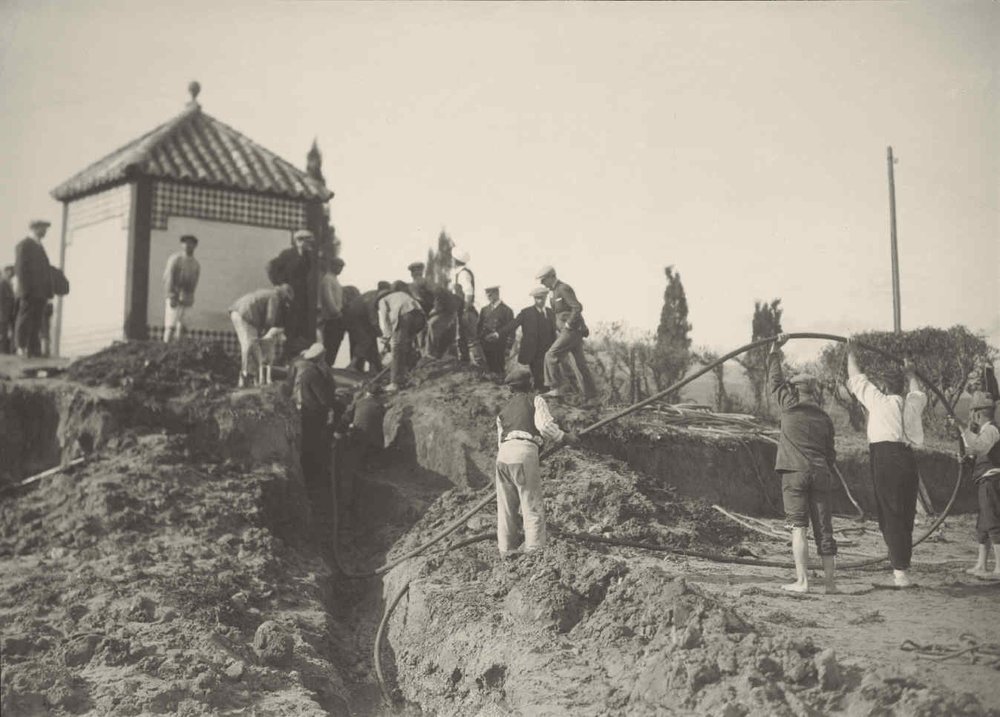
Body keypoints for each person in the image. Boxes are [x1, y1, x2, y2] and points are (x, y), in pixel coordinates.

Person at [846, 346, 926, 588]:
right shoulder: (912, 403)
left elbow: (856, 378)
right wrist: (911, 373)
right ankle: (902, 567)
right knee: (904, 512)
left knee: (890, 513)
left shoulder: (879, 401)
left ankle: (900, 573)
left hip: (886, 459)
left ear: (885, 387)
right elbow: (916, 391)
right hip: (907, 459)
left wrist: (850, 353)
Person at [769, 335, 838, 594]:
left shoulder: (789, 406)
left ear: (795, 390)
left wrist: (774, 352)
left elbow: (775, 382)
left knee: (799, 526)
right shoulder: (825, 417)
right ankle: (830, 584)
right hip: (821, 474)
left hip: (794, 474)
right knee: (824, 529)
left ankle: (803, 582)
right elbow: (831, 454)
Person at [495, 366, 577, 556]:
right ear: (530, 384)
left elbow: (500, 441)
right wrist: (564, 437)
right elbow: (545, 426)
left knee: (506, 507)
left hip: (503, 456)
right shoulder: (535, 400)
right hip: (524, 452)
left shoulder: (503, 411)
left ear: (510, 389)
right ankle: (535, 552)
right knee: (531, 503)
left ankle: (506, 550)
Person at [287, 342, 343, 544]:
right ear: (319, 358)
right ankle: (315, 489)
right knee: (314, 452)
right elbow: (325, 399)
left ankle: (315, 485)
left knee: (313, 452)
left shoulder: (311, 372)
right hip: (313, 419)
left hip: (312, 416)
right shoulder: (313, 375)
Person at [536, 266, 598, 406]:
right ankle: (592, 398)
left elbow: (577, 307)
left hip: (571, 331)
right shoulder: (554, 292)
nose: (542, 283)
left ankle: (556, 387)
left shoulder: (563, 288)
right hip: (568, 331)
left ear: (552, 276)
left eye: (543, 280)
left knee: (550, 355)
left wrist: (570, 324)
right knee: (579, 365)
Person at [960, 391, 1000, 576]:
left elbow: (980, 447)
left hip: (992, 481)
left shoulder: (992, 430)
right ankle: (981, 565)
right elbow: (979, 452)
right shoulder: (986, 432)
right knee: (983, 524)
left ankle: (999, 567)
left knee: (993, 522)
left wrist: (964, 429)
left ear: (977, 414)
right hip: (985, 480)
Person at [492, 286, 557, 391]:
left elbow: (555, 331)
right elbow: (512, 325)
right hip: (531, 351)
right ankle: (537, 393)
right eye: (537, 298)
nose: (540, 300)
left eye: (542, 298)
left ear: (545, 298)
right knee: (535, 376)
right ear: (534, 298)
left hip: (546, 350)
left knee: (545, 376)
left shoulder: (550, 313)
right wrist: (498, 334)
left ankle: (544, 394)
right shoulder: (526, 312)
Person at [229, 284, 294, 387]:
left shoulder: (269, 293)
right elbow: (270, 318)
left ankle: (248, 378)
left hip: (238, 312)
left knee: (249, 347)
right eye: (286, 300)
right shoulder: (274, 297)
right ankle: (247, 379)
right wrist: (266, 333)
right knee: (251, 347)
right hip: (246, 315)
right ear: (283, 296)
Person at [14, 219, 54, 358]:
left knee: (37, 320)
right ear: (35, 228)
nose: (45, 231)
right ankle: (21, 346)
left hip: (40, 293)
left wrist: (48, 293)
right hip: (29, 291)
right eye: (43, 228)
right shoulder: (24, 245)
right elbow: (20, 269)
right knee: (25, 318)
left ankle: (33, 349)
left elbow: (45, 272)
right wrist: (24, 290)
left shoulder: (40, 247)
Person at [267, 229, 315, 344]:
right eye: (308, 242)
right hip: (288, 295)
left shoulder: (308, 256)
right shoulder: (287, 254)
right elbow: (270, 267)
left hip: (301, 296)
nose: (310, 245)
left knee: (299, 325)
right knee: (287, 324)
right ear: (299, 241)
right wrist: (280, 283)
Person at [377, 281, 426, 392]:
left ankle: (394, 383)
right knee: (407, 347)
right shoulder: (401, 295)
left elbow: (385, 318)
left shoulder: (382, 300)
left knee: (397, 348)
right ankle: (409, 375)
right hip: (420, 316)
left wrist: (387, 337)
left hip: (405, 315)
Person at [162, 234, 201, 342]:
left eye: (191, 243)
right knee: (170, 326)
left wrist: (190, 297)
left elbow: (194, 282)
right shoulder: (175, 259)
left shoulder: (195, 264)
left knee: (183, 328)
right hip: (174, 296)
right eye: (185, 243)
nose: (188, 245)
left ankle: (179, 352)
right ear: (181, 245)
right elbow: (168, 277)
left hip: (187, 298)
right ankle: (166, 350)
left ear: (195, 246)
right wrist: (171, 295)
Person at [344, 286, 384, 374]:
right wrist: (379, 331)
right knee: (365, 341)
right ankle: (352, 365)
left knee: (371, 339)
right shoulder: (373, 297)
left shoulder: (372, 294)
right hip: (354, 318)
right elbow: (373, 316)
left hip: (358, 318)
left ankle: (373, 367)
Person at [477, 286, 514, 376]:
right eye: (487, 295)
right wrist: (480, 340)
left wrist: (508, 347)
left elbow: (511, 330)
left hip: (499, 346)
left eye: (490, 295)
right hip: (486, 345)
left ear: (497, 294)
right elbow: (479, 327)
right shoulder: (484, 310)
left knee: (499, 371)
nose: (488, 297)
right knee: (488, 370)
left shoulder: (507, 310)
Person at [318, 256, 347, 365]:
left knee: (336, 342)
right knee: (331, 343)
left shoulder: (334, 279)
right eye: (339, 267)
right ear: (332, 266)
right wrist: (336, 312)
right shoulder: (328, 279)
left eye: (342, 268)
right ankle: (327, 365)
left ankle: (329, 365)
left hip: (336, 316)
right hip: (332, 317)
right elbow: (328, 297)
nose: (340, 270)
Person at [426, 284, 460, 359]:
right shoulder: (445, 292)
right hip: (449, 315)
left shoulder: (438, 292)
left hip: (445, 315)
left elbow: (438, 307)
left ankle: (432, 352)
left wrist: (430, 313)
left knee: (432, 325)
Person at [0, 265, 15, 354]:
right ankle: (3, 350)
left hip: (7, 313)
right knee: (3, 333)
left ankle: (5, 350)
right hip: (3, 313)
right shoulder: (3, 284)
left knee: (5, 333)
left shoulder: (8, 283)